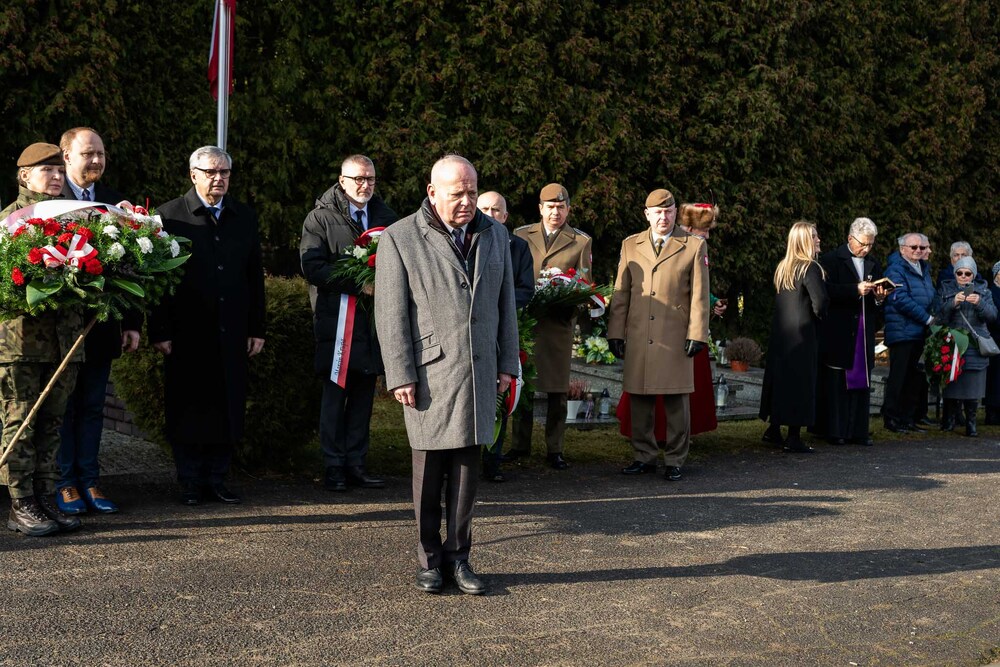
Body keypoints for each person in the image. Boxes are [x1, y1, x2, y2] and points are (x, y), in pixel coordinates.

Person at [374, 155, 518, 595]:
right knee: (429, 473)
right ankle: (429, 560)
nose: (467, 202)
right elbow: (391, 313)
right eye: (458, 194)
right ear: (432, 191)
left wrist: (508, 363)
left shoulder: (496, 235)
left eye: (473, 192)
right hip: (430, 375)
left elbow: (505, 305)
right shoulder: (399, 238)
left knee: (466, 474)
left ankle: (459, 558)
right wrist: (400, 373)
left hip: (478, 369)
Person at [149, 146, 266, 506]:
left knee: (227, 404)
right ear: (193, 174)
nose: (219, 179)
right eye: (211, 172)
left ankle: (217, 478)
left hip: (231, 330)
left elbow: (253, 277)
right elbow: (155, 279)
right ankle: (189, 482)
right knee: (188, 406)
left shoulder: (243, 217)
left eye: (225, 173)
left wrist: (256, 327)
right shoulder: (168, 217)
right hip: (187, 333)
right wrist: (160, 331)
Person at [0, 143, 85, 536]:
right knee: (21, 419)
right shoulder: (10, 222)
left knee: (53, 422)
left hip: (65, 341)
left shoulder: (76, 219)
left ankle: (45, 494)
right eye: (45, 170)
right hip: (19, 344)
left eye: (57, 169)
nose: (54, 176)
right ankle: (20, 502)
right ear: (24, 176)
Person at [56, 127, 142, 516]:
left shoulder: (115, 204)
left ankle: (89, 480)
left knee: (93, 406)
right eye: (88, 153)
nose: (96, 160)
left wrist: (132, 323)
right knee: (64, 407)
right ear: (66, 157)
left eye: (101, 154)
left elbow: (134, 270)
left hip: (103, 327)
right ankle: (63, 483)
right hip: (60, 332)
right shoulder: (49, 204)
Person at [299, 155, 396, 492]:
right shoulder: (320, 218)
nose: (364, 185)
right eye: (357, 179)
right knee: (333, 398)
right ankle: (334, 467)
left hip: (372, 326)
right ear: (341, 181)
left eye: (369, 179)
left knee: (362, 398)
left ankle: (357, 464)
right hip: (336, 325)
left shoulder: (387, 217)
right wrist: (359, 283)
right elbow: (312, 266)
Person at [607, 189, 709, 481]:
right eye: (657, 212)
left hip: (675, 335)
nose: (663, 217)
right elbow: (621, 293)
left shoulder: (692, 246)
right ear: (647, 214)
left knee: (677, 402)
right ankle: (644, 456)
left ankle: (676, 458)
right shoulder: (630, 245)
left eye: (669, 211)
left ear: (676, 212)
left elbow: (700, 296)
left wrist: (698, 334)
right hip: (640, 334)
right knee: (640, 397)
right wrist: (616, 331)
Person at [509, 183, 592, 469]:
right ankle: (519, 445)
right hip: (527, 322)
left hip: (557, 325)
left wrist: (568, 299)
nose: (555, 212)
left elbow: (584, 284)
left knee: (557, 390)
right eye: (550, 207)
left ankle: (555, 448)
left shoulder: (580, 241)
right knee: (524, 385)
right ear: (540, 209)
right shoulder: (521, 235)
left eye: (560, 207)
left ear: (568, 209)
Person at [813, 218, 890, 446]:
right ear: (850, 238)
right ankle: (835, 431)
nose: (866, 249)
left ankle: (858, 431)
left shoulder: (873, 263)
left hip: (863, 329)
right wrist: (854, 290)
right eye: (863, 244)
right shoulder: (830, 260)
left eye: (870, 245)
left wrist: (879, 298)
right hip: (839, 329)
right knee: (837, 382)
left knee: (862, 382)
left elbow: (878, 302)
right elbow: (826, 292)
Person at [475, 191, 534, 483]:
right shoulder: (465, 241)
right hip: (475, 330)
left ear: (506, 216)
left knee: (502, 391)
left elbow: (525, 288)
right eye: (484, 208)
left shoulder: (519, 247)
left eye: (496, 210)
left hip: (506, 327)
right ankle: (468, 460)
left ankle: (493, 461)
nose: (490, 214)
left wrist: (500, 305)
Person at [759, 222, 828, 453]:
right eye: (815, 236)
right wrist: (822, 319)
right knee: (801, 383)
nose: (819, 240)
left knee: (781, 382)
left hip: (782, 335)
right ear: (805, 241)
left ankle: (774, 429)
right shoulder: (811, 268)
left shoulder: (784, 267)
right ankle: (794, 437)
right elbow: (820, 302)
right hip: (803, 334)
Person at [882, 233, 937, 433]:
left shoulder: (923, 269)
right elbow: (899, 298)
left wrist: (935, 314)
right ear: (903, 249)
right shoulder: (895, 269)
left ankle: (908, 418)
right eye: (913, 247)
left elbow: (930, 295)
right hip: (902, 331)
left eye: (921, 248)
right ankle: (891, 418)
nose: (918, 251)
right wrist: (927, 318)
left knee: (914, 378)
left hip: (919, 332)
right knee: (899, 377)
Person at [936, 257, 997, 436]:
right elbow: (938, 316)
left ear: (974, 274)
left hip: (975, 343)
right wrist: (952, 303)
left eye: (967, 273)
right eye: (959, 273)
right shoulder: (946, 290)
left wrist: (979, 303)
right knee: (951, 381)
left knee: (973, 386)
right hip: (952, 342)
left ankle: (971, 423)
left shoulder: (984, 291)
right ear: (954, 274)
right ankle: (949, 420)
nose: (963, 276)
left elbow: (992, 316)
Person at [983, 261, 1000, 425]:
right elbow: (992, 316)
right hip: (994, 339)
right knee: (994, 378)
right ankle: (992, 412)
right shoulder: (991, 292)